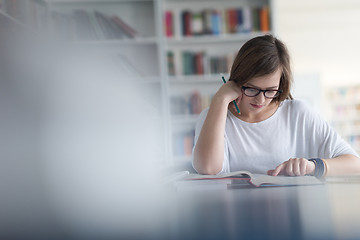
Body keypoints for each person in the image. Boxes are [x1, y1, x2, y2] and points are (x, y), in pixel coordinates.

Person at [193, 34, 360, 177]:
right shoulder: (214, 117)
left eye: (270, 91)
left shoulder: (298, 113)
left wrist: (314, 166)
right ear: (237, 80)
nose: (260, 100)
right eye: (251, 89)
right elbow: (208, 168)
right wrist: (220, 100)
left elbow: (354, 164)